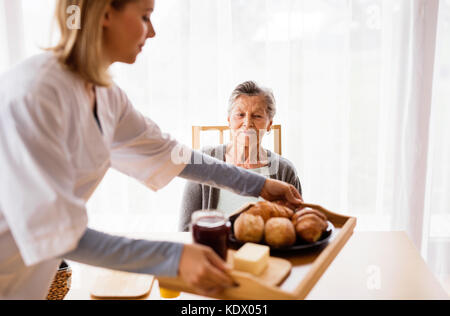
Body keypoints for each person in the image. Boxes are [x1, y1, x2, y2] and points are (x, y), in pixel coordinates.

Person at [0, 0, 303, 299]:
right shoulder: (34, 96)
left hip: (28, 281)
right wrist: (174, 257)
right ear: (106, 13)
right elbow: (58, 236)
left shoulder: (105, 95)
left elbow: (173, 154)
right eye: (145, 16)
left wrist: (259, 185)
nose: (153, 31)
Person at [179, 81, 302, 231]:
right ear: (229, 120)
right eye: (240, 115)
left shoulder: (285, 171)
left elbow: (296, 227)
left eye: (257, 116)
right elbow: (185, 230)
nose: (247, 123)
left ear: (269, 124)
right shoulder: (203, 161)